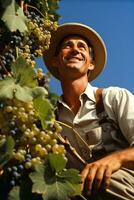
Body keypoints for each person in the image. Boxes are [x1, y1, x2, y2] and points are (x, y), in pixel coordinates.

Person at [43, 22, 134, 200]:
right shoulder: (50, 120)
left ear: (91, 63)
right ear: (55, 61)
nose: (75, 50)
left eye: (82, 47)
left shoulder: (113, 98)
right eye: (67, 45)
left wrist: (116, 159)